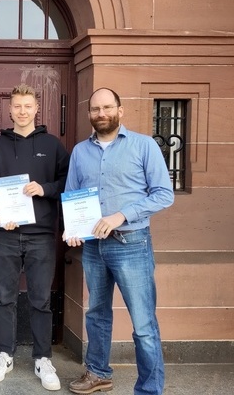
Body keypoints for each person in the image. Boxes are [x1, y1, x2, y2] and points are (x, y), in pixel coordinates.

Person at [63, 88, 174, 395]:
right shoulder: (80, 152)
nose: (101, 113)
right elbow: (72, 195)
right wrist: (72, 228)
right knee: (96, 314)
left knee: (143, 324)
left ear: (120, 110)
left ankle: (149, 389)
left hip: (132, 244)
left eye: (107, 107)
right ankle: (98, 373)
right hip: (93, 246)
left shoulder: (144, 145)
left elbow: (164, 194)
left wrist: (120, 215)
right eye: (95, 109)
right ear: (89, 114)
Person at [0, 83, 69, 390]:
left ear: (36, 109)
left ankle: (43, 358)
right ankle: (5, 354)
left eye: (27, 106)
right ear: (10, 109)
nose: (22, 111)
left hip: (41, 235)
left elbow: (68, 181)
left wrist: (45, 189)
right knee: (5, 298)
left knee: (40, 300)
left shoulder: (52, 145)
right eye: (17, 106)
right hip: (5, 234)